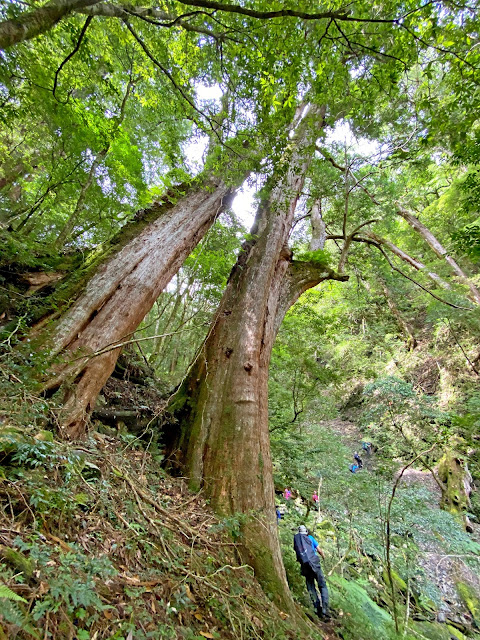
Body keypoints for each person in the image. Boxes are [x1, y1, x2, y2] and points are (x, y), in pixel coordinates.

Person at [293, 525, 330, 620]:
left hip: (305, 566)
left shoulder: (297, 540)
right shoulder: (310, 538)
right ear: (306, 532)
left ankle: (317, 608)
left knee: (311, 586)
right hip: (314, 564)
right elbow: (319, 550)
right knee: (322, 585)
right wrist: (323, 556)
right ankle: (325, 609)